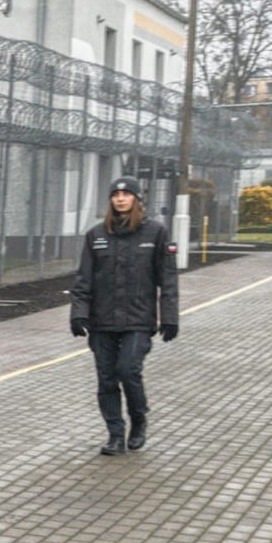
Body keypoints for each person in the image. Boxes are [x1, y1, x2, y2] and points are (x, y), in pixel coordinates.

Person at [71, 176, 178, 454]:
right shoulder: (96, 235)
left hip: (138, 319)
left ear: (136, 199)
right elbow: (84, 279)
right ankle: (115, 435)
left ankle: (138, 420)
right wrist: (78, 313)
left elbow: (168, 279)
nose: (120, 199)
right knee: (107, 379)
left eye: (126, 194)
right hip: (102, 320)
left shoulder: (155, 233)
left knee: (128, 370)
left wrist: (170, 317)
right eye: (115, 195)